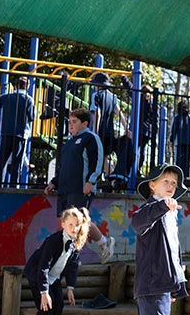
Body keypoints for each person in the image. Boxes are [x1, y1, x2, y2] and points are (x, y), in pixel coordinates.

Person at [122, 163, 188, 315]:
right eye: (165, 181)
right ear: (152, 186)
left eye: (174, 183)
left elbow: (173, 252)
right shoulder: (151, 209)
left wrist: (177, 286)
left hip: (160, 285)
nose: (171, 186)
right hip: (153, 285)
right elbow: (137, 222)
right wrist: (162, 206)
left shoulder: (169, 214)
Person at [44, 107, 115, 263]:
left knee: (76, 222)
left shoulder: (90, 138)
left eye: (74, 122)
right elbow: (63, 167)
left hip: (81, 188)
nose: (70, 125)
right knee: (74, 222)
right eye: (69, 122)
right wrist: (54, 182)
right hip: (65, 190)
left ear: (85, 123)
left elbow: (97, 162)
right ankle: (104, 242)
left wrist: (90, 181)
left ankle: (73, 258)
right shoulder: (68, 144)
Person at [24, 206, 90, 315]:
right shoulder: (53, 241)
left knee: (58, 304)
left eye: (77, 225)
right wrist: (44, 292)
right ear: (63, 224)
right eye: (70, 224)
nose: (74, 228)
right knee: (47, 307)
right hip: (38, 275)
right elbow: (43, 267)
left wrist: (70, 288)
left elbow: (72, 267)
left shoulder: (76, 243)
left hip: (54, 277)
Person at [90, 71, 133, 187]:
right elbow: (120, 113)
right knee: (104, 157)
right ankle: (113, 178)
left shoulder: (96, 95)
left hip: (101, 132)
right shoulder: (113, 97)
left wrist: (94, 132)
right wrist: (126, 129)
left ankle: (110, 177)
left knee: (100, 157)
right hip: (111, 132)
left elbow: (97, 114)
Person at [121, 76, 154, 173]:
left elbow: (130, 87)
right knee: (142, 150)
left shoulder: (138, 98)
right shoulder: (152, 102)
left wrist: (124, 77)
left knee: (133, 149)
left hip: (137, 128)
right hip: (147, 131)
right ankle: (138, 169)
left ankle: (131, 169)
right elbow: (154, 117)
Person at [169, 98, 190, 178]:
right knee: (187, 160)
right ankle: (186, 175)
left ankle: (179, 175)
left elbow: (174, 129)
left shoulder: (177, 117)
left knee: (179, 160)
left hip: (179, 141)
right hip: (189, 142)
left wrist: (171, 140)